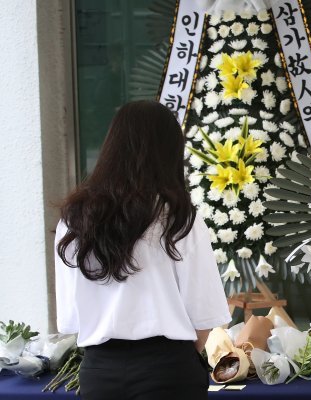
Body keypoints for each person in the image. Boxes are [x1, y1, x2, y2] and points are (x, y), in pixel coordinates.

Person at [54, 100, 231, 400]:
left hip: (101, 374)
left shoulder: (75, 218)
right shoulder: (178, 216)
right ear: (169, 151)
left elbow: (70, 320)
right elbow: (205, 316)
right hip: (168, 371)